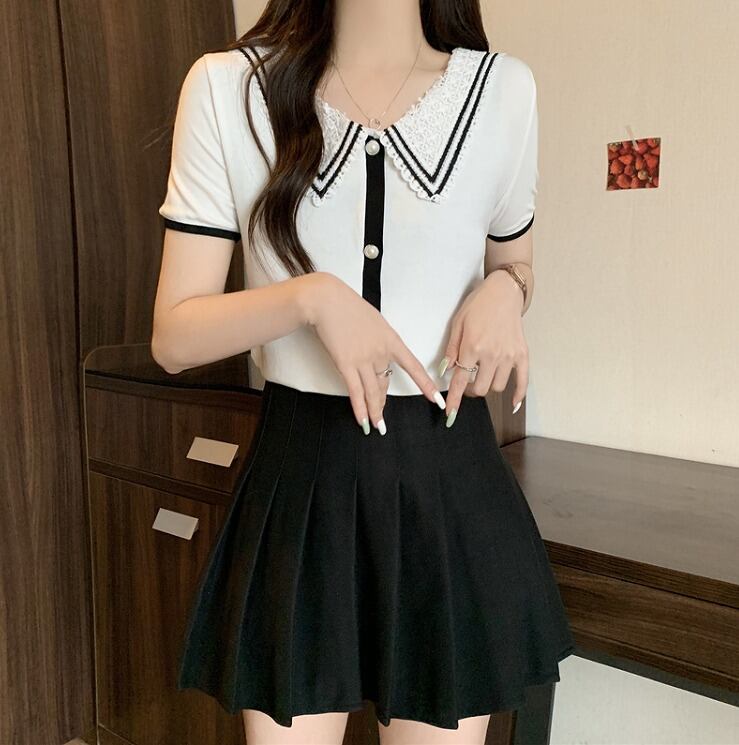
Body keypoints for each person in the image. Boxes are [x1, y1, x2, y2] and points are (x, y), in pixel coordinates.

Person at [151, 0, 576, 743]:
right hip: (299, 485)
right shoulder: (225, 89)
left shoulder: (503, 92)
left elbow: (516, 261)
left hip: (449, 483)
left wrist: (507, 292)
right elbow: (173, 337)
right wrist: (310, 299)